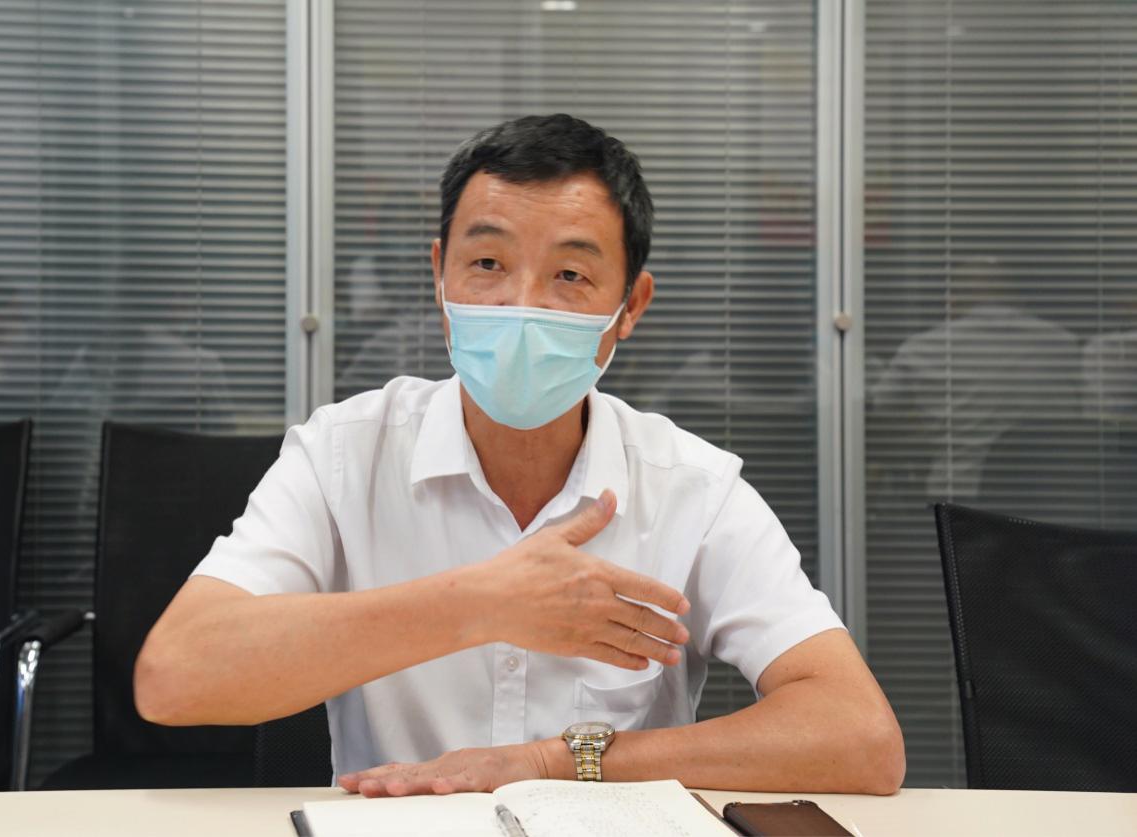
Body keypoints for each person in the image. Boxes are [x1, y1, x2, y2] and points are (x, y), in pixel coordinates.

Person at [134, 114, 905, 796]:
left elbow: (858, 736)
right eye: (487, 264)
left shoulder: (693, 488)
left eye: (569, 275)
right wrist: (481, 602)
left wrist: (553, 760)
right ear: (439, 274)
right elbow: (175, 676)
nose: (521, 304)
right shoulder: (343, 454)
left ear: (629, 305)